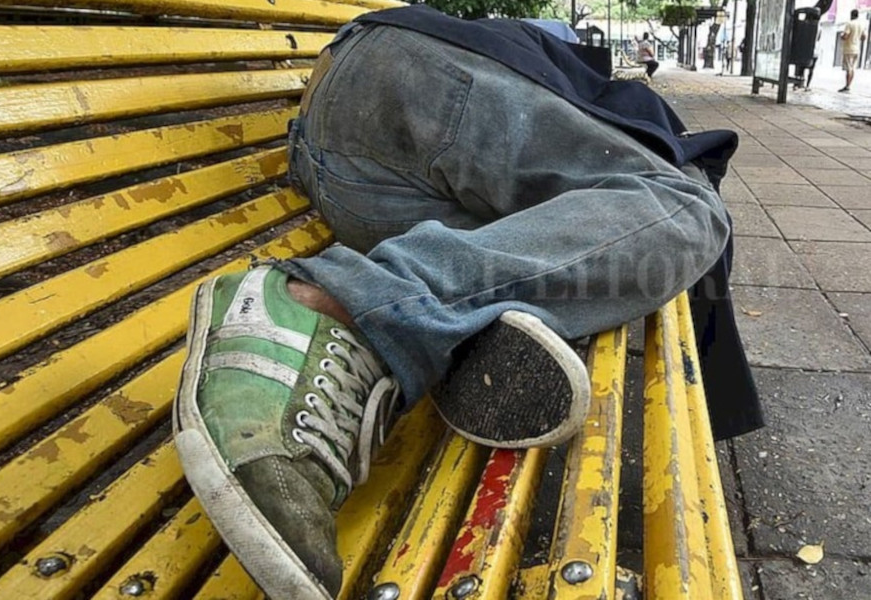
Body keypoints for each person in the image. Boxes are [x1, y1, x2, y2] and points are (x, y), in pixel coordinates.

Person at [172, 6, 762, 599]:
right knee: (686, 208)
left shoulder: (553, 74)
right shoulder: (558, 67)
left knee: (537, 249)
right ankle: (327, 307)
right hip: (406, 85)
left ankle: (451, 330)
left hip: (351, 173)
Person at [839, 9, 867, 92]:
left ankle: (847, 86)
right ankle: (849, 85)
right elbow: (864, 37)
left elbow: (845, 36)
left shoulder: (849, 24)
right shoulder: (861, 24)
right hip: (856, 49)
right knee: (852, 68)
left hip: (848, 49)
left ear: (851, 15)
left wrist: (842, 36)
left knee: (848, 69)